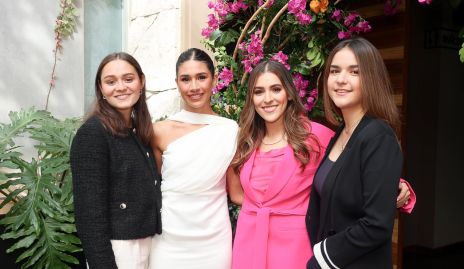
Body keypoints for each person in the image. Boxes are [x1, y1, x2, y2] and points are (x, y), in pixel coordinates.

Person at [227, 60, 415, 269]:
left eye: (276, 89)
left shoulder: (316, 136)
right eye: (259, 92)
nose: (268, 99)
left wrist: (397, 184)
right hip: (249, 243)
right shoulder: (245, 140)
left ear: (289, 93)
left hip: (294, 247)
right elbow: (236, 195)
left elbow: (352, 167)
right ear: (252, 99)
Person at [306, 37, 404, 269]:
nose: (341, 80)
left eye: (354, 72)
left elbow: (377, 225)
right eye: (335, 71)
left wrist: (322, 257)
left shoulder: (379, 136)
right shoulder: (341, 133)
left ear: (371, 78)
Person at [70, 52, 162, 269]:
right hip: (118, 251)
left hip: (147, 244)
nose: (120, 87)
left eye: (128, 79)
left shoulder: (138, 131)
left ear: (141, 82)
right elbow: (89, 216)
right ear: (101, 89)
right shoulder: (92, 133)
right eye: (110, 82)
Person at [149, 48, 238, 268]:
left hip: (214, 242)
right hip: (168, 240)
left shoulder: (231, 130)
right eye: (186, 79)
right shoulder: (159, 131)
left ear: (214, 79)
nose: (194, 87)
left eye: (201, 77)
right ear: (177, 83)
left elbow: (236, 193)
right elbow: (154, 186)